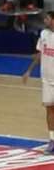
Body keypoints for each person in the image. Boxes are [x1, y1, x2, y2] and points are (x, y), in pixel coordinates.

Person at [23, 11, 54, 154]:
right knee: (49, 110)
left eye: (47, 18)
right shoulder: (43, 34)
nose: (45, 20)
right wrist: (29, 70)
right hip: (47, 80)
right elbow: (40, 54)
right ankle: (52, 140)